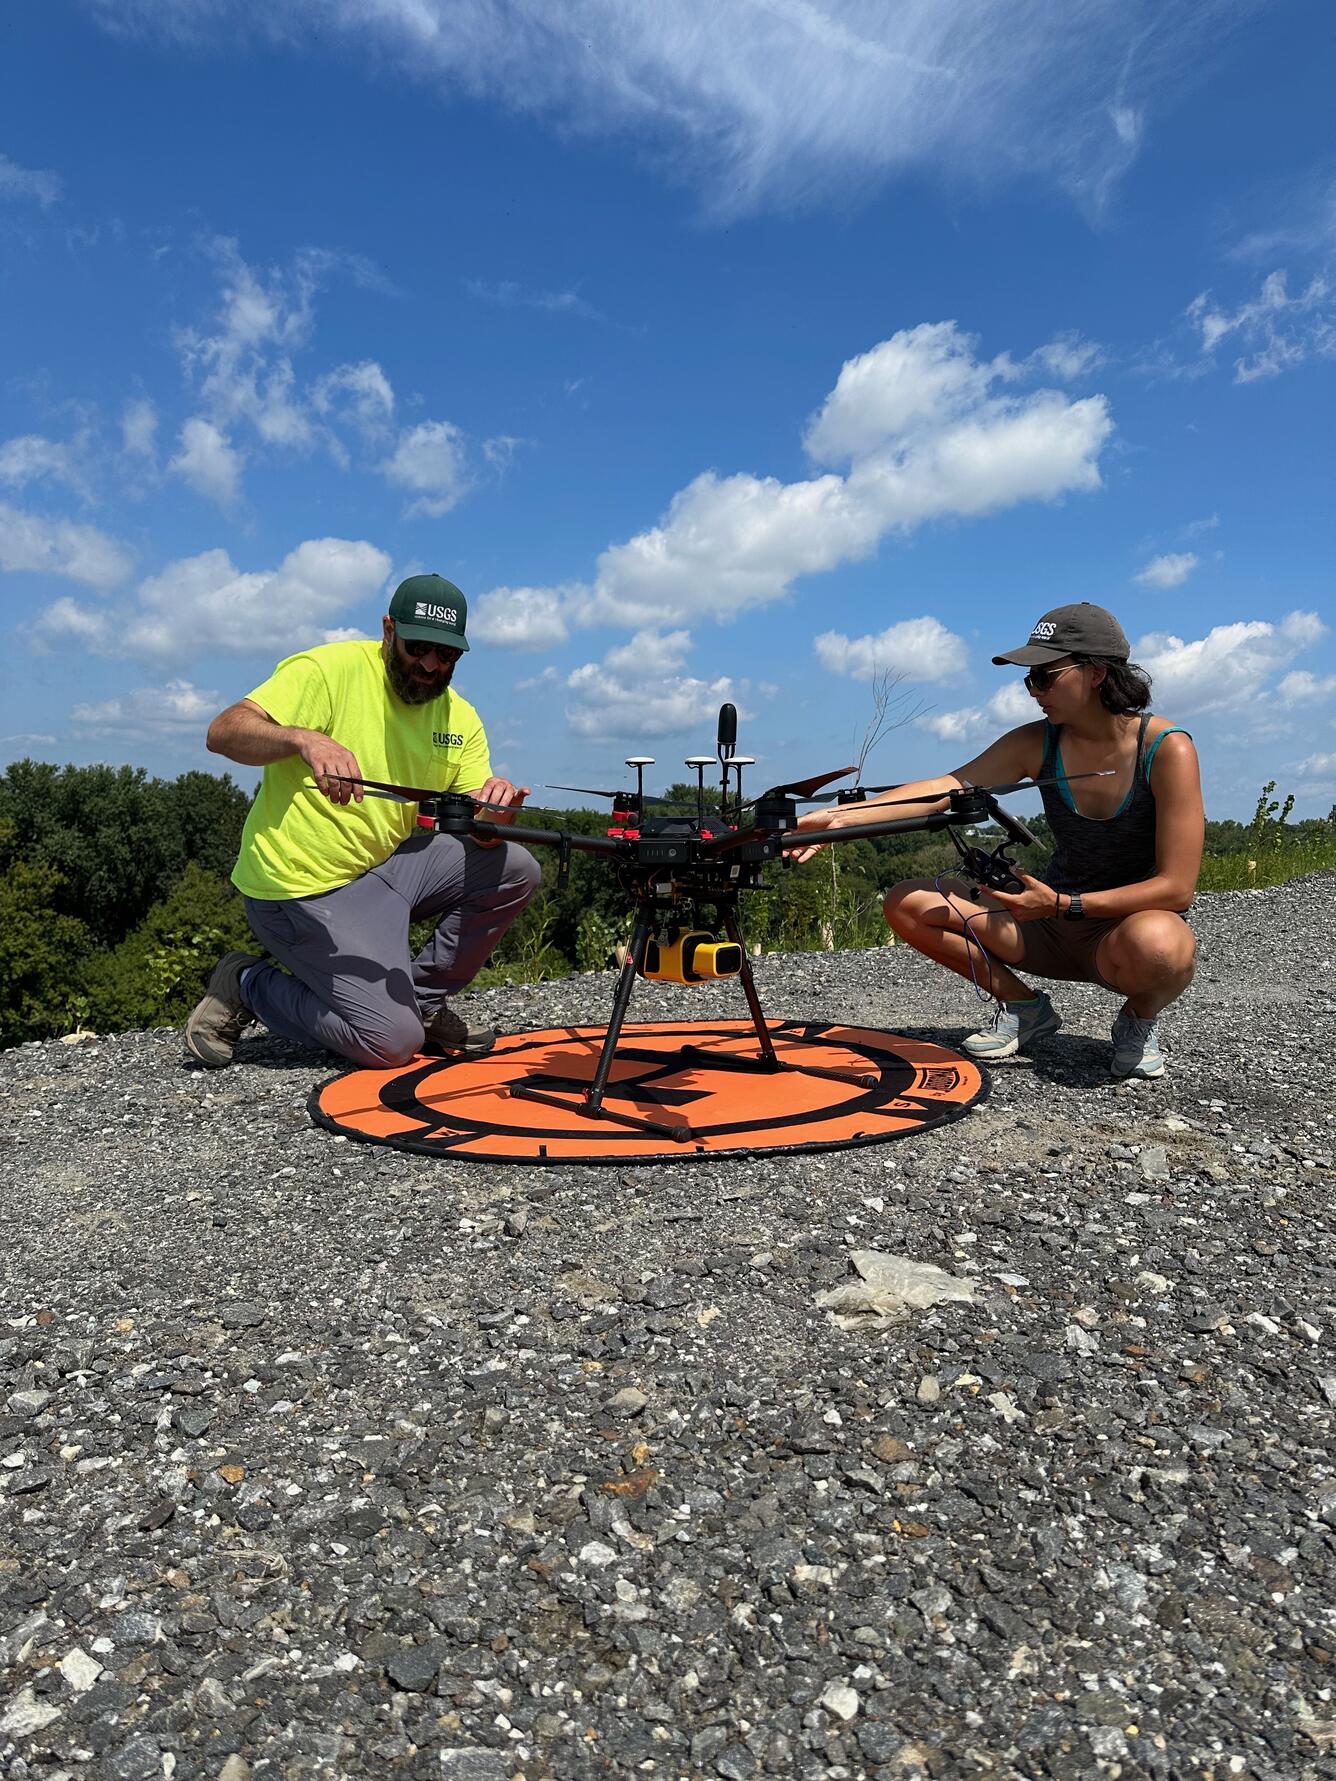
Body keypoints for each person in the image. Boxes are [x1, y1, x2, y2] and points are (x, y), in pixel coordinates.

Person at [794, 603, 1203, 1080]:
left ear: (1095, 672)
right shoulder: (1035, 742)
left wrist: (1063, 903)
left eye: (1045, 676)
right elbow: (945, 788)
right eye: (1029, 679)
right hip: (1045, 924)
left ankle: (1137, 1021)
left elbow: (1177, 889)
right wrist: (842, 818)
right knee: (908, 902)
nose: (1034, 691)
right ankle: (1024, 1007)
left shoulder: (1167, 748)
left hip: (1119, 933)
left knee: (1163, 945)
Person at [185, 573, 541, 1070]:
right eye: (419, 647)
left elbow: (477, 830)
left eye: (448, 655)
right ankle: (246, 983)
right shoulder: (328, 670)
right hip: (301, 890)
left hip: (384, 872)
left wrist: (496, 814)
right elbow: (223, 732)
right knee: (390, 1044)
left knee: (515, 865)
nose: (431, 665)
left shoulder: (460, 717)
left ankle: (423, 1000)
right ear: (388, 630)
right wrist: (304, 740)